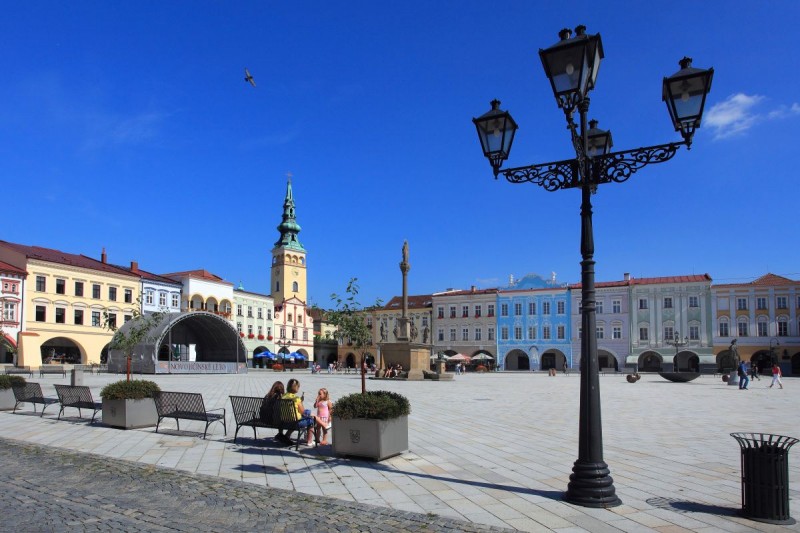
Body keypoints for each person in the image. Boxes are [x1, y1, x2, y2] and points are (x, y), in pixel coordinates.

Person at [281, 378, 315, 445]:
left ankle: (287, 435)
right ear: (295, 387)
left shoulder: (283, 396)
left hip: (284, 421)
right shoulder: (296, 399)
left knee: (307, 412)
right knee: (311, 420)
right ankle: (309, 441)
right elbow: (302, 412)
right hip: (295, 423)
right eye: (298, 387)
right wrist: (301, 402)